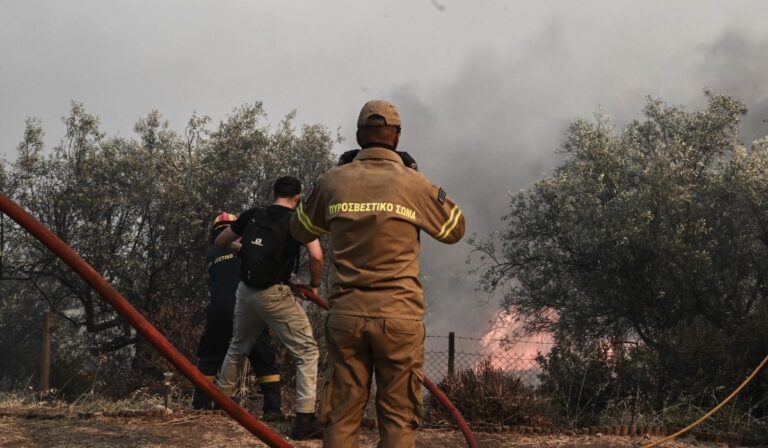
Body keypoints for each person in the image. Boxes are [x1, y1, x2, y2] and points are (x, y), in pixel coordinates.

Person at [290, 100, 466, 447]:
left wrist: (332, 190)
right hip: (399, 318)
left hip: (346, 317)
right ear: (397, 138)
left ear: (358, 136)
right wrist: (418, 179)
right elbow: (454, 230)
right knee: (399, 418)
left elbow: (299, 229)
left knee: (340, 416)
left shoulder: (332, 181)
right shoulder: (414, 183)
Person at [214, 176, 324, 440]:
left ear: (274, 192)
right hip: (275, 293)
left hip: (246, 291)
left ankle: (221, 406)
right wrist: (314, 285)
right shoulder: (298, 220)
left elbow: (220, 242)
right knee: (307, 352)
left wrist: (242, 250)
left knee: (238, 347)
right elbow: (317, 256)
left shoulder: (253, 214)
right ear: (297, 197)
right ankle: (305, 420)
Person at [191, 212, 283, 419]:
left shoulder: (212, 255)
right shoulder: (248, 251)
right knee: (262, 358)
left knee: (210, 357)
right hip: (249, 309)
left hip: (219, 311)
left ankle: (200, 406)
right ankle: (273, 410)